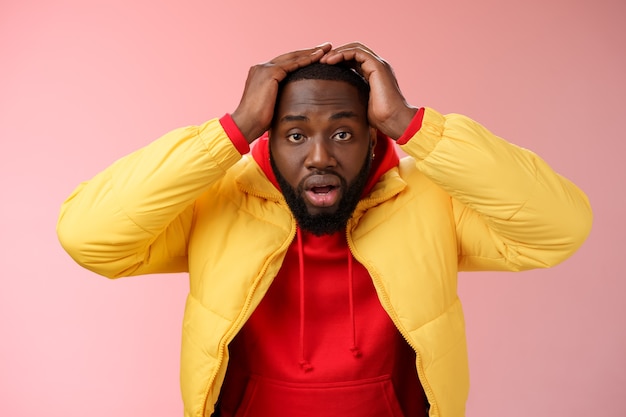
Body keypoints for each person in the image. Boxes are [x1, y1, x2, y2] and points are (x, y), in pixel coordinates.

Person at [57, 42, 592, 417]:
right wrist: (232, 130)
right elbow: (89, 235)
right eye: (294, 135)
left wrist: (412, 124)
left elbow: (558, 228)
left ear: (374, 138)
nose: (319, 156)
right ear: (268, 138)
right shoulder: (220, 203)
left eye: (343, 132)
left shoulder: (427, 201)